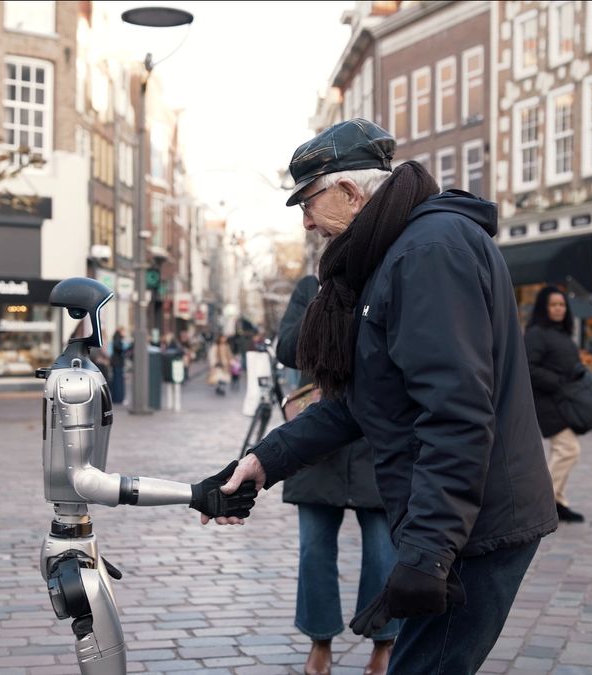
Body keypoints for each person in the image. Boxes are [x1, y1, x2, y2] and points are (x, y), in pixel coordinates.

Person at [204, 119, 558, 674]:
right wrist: (262, 461)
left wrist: (428, 554)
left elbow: (456, 414)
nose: (305, 220)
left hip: (475, 528)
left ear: (348, 190)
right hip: (454, 522)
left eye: (308, 201)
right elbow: (355, 402)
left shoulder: (425, 254)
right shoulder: (393, 254)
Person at [277, 274, 398, 675]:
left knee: (384, 550)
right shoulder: (310, 287)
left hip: (376, 437)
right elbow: (288, 349)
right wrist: (327, 304)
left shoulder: (384, 278)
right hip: (318, 436)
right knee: (314, 549)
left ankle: (384, 643)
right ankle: (320, 640)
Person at [524, 286, 587, 523]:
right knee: (568, 449)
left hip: (563, 402)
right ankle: (539, 503)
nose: (559, 309)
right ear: (543, 307)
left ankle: (557, 502)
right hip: (546, 402)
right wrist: (558, 380)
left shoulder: (561, 333)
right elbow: (528, 368)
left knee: (562, 450)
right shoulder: (536, 334)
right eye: (553, 304)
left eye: (562, 304)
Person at [110, 328, 127, 404]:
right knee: (118, 381)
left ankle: (116, 398)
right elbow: (119, 348)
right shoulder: (118, 339)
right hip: (118, 363)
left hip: (116, 363)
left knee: (116, 381)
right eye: (124, 331)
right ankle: (118, 398)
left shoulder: (116, 338)